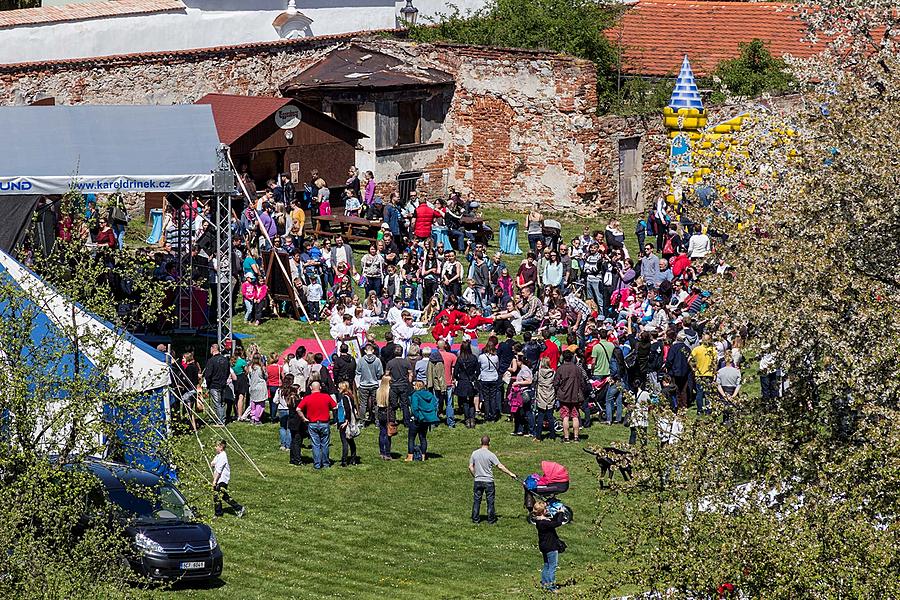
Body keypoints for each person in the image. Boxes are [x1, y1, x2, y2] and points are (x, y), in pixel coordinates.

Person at [469, 436, 516, 524]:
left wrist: (475, 475)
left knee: (476, 500)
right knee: (490, 501)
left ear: (481, 442)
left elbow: (470, 466)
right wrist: (511, 474)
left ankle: (475, 519)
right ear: (489, 443)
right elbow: (500, 466)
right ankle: (491, 520)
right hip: (488, 481)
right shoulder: (491, 455)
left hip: (478, 480)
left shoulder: (474, 453)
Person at [298, 381, 337, 470]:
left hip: (312, 423)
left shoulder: (307, 398)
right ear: (320, 388)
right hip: (324, 423)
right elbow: (335, 406)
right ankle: (326, 463)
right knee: (325, 444)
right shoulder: (326, 397)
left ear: (311, 388)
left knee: (315, 444)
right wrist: (329, 410)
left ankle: (317, 464)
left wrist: (304, 418)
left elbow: (298, 409)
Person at [532, 501, 566, 592]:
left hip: (544, 546)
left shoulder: (539, 521)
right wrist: (561, 512)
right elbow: (557, 523)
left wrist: (558, 513)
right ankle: (551, 586)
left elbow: (553, 521)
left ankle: (545, 583)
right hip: (551, 546)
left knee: (546, 565)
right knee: (552, 567)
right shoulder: (544, 523)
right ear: (543, 511)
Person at [555, 350, 585, 443]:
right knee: (575, 416)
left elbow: (556, 383)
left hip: (564, 396)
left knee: (565, 416)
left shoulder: (560, 369)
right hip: (575, 395)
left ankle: (566, 437)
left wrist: (559, 390)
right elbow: (582, 382)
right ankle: (576, 437)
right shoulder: (577, 369)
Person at [211, 440, 245, 518]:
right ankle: (237, 508)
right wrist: (212, 464)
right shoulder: (218, 455)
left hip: (222, 479)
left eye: (216, 446)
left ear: (221, 447)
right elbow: (213, 462)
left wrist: (215, 481)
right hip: (219, 479)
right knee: (222, 496)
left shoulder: (223, 456)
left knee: (219, 496)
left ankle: (219, 513)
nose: (215, 448)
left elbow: (219, 471)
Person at [201, 344, 231, 425]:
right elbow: (228, 372)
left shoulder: (211, 360)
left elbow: (208, 374)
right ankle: (222, 418)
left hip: (214, 384)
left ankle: (221, 421)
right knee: (221, 402)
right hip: (223, 383)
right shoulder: (225, 360)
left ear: (213, 349)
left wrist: (207, 383)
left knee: (217, 403)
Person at [409, 381, 439, 461]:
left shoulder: (415, 395)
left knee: (411, 438)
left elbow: (414, 408)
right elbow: (435, 404)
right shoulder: (430, 394)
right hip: (426, 420)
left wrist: (418, 416)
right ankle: (423, 456)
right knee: (423, 438)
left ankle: (410, 456)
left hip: (416, 420)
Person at [454, 340, 481, 429]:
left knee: (465, 402)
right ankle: (472, 419)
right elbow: (478, 370)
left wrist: (459, 378)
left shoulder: (460, 358)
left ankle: (467, 420)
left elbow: (455, 372)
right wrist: (474, 377)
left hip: (462, 381)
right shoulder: (473, 358)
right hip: (471, 381)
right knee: (471, 401)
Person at [356, 342, 384, 425]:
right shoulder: (377, 360)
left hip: (364, 385)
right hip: (374, 384)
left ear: (365, 351)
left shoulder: (361, 360)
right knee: (376, 404)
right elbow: (380, 373)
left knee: (363, 404)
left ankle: (362, 422)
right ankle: (377, 421)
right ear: (373, 350)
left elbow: (358, 371)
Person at [336, 381, 360, 467]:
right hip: (349, 421)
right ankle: (353, 458)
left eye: (339, 388)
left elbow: (347, 410)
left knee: (345, 441)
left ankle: (344, 460)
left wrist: (346, 421)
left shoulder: (344, 397)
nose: (338, 389)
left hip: (345, 422)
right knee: (351, 441)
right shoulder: (350, 396)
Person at [375, 375, 393, 460]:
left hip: (380, 412)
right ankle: (387, 453)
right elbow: (394, 404)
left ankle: (382, 452)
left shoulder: (378, 391)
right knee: (388, 433)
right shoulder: (390, 391)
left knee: (382, 432)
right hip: (388, 413)